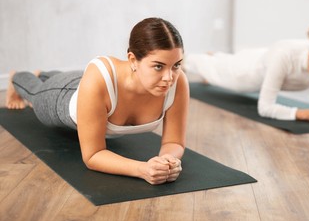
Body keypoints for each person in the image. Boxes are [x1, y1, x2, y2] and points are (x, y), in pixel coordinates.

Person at [5, 17, 189, 185]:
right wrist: (143, 169)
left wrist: (167, 161)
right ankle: (18, 78)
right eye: (158, 66)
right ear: (133, 60)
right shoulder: (100, 78)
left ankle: (45, 74)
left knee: (67, 79)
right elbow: (92, 155)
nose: (169, 78)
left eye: (176, 65)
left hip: (88, 89)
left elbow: (175, 142)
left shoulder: (177, 81)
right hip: (64, 95)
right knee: (36, 94)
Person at [185, 26, 309, 123]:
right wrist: (304, 114)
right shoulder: (285, 55)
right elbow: (265, 108)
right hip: (247, 72)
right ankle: (185, 60)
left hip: (264, 57)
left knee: (220, 64)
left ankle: (215, 57)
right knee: (212, 69)